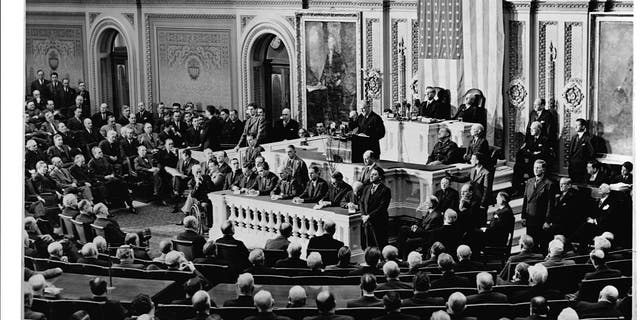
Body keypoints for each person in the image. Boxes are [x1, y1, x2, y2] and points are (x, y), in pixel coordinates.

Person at [521, 160, 556, 252]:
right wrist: (523, 216)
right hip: (530, 218)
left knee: (540, 245)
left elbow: (550, 204)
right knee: (530, 244)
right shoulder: (529, 181)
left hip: (540, 219)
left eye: (538, 168)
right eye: (534, 167)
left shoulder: (549, 184)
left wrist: (547, 221)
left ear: (543, 169)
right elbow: (525, 200)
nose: (535, 170)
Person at [513, 121, 555, 194]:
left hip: (539, 163)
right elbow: (523, 150)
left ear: (538, 129)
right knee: (517, 167)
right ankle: (517, 189)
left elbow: (544, 154)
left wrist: (531, 153)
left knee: (534, 169)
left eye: (533, 129)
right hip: (530, 161)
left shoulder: (545, 139)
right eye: (531, 129)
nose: (531, 131)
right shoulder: (530, 138)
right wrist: (532, 153)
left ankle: (533, 189)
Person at [360, 167, 391, 248]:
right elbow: (361, 202)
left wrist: (369, 216)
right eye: (371, 174)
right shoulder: (367, 188)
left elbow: (382, 207)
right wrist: (363, 215)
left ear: (380, 177)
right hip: (367, 223)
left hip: (379, 223)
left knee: (380, 246)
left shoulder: (385, 190)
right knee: (368, 247)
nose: (371, 176)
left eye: (374, 175)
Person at [568, 119, 594, 183]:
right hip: (572, 168)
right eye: (575, 125)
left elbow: (592, 153)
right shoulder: (574, 137)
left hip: (582, 169)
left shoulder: (588, 138)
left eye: (578, 125)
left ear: (583, 127)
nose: (575, 127)